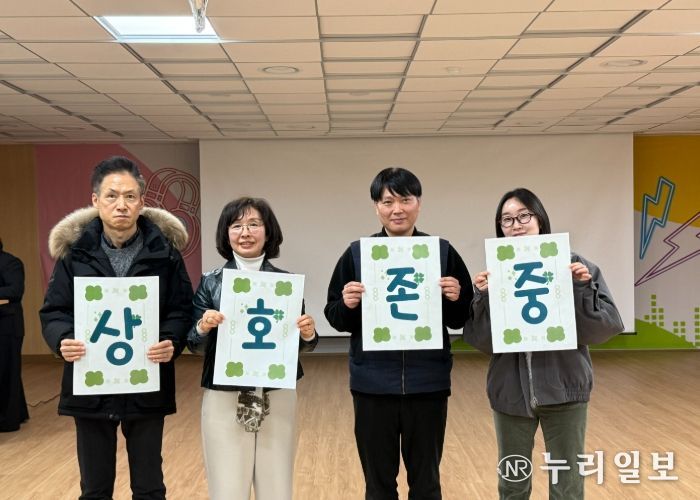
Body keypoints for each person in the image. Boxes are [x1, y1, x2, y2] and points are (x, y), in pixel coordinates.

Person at [40, 156, 193, 500]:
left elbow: (180, 309)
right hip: (91, 384)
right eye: (111, 196)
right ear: (95, 200)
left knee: (149, 486)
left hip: (146, 382)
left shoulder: (165, 254)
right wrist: (62, 339)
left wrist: (171, 340)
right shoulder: (74, 254)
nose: (121, 205)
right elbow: (55, 311)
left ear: (141, 202)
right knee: (94, 487)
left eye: (129, 196)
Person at [464, 187, 624, 500]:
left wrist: (581, 289)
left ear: (540, 219)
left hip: (565, 390)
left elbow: (605, 328)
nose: (516, 225)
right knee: (512, 485)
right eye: (507, 220)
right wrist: (482, 297)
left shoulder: (574, 265)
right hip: (510, 394)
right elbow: (482, 341)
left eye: (524, 216)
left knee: (567, 485)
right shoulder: (496, 273)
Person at [325, 167, 472, 500]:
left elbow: (462, 317)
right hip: (372, 386)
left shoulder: (441, 252)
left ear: (419, 203)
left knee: (427, 483)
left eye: (405, 200)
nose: (397, 209)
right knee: (378, 485)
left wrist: (457, 297)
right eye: (387, 201)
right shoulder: (358, 254)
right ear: (376, 207)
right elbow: (334, 316)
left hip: (428, 384)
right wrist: (347, 304)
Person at [187, 197, 318, 500]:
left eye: (254, 224)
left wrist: (308, 334)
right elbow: (193, 345)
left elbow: (299, 345)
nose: (245, 232)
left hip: (276, 391)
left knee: (276, 483)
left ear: (268, 232)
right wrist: (203, 327)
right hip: (224, 392)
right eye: (236, 226)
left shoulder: (286, 284)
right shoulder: (211, 283)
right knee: (228, 486)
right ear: (226, 234)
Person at [0, 239, 29, 432]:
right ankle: (18, 412)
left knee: (6, 372)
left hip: (7, 326)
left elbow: (15, 290)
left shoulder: (10, 262)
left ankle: (7, 420)